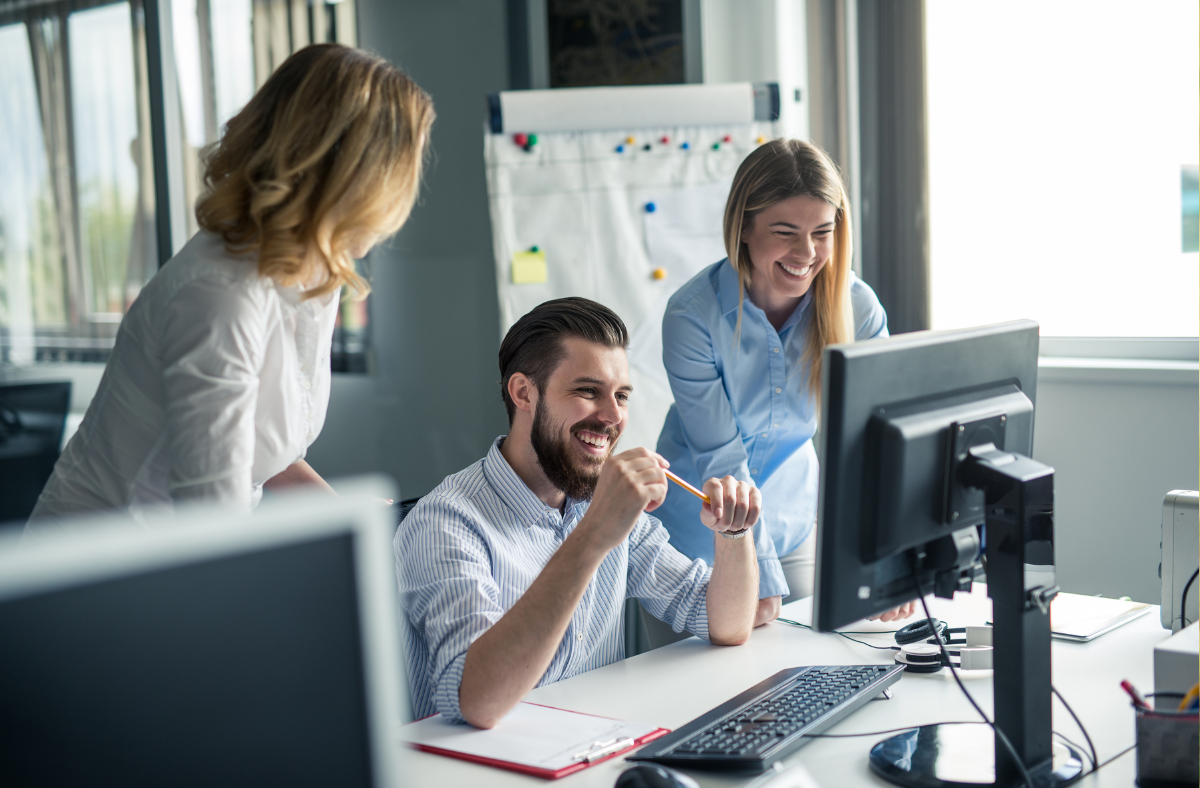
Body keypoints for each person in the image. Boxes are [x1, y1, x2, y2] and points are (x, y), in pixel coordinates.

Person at [28, 44, 434, 524]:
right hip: (106, 555)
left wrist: (348, 518)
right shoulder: (219, 295)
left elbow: (261, 450)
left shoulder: (312, 275)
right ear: (357, 177)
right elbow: (213, 520)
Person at [395, 297, 761, 729]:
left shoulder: (601, 499)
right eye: (588, 391)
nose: (613, 416)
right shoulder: (445, 523)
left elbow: (725, 624)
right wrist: (594, 536)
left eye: (621, 396)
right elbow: (477, 701)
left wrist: (733, 533)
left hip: (597, 744)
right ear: (523, 392)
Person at [652, 139, 916, 628]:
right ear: (744, 227)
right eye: (785, 232)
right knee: (706, 673)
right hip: (695, 536)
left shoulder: (857, 308)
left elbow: (875, 442)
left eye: (822, 232)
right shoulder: (693, 316)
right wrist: (758, 576)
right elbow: (722, 460)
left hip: (794, 525)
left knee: (820, 661)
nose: (807, 253)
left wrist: (885, 551)